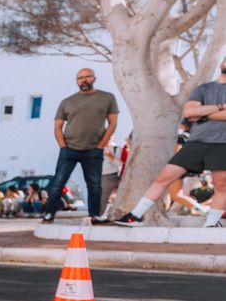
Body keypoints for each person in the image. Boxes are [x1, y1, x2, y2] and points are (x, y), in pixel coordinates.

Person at [114, 57, 226, 228]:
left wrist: (203, 112)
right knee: (163, 177)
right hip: (196, 143)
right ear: (222, 64)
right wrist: (220, 106)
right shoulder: (203, 89)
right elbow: (188, 112)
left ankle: (211, 224)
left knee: (221, 185)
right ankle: (135, 217)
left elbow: (197, 113)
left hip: (223, 144)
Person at [42, 68, 119, 225]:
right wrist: (63, 146)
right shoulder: (67, 101)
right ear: (77, 81)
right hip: (69, 149)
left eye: (87, 77)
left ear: (94, 78)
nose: (84, 80)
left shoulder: (107, 98)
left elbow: (113, 123)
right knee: (58, 183)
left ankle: (95, 216)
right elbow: (57, 126)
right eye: (80, 78)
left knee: (94, 185)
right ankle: (49, 214)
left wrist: (101, 145)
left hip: (94, 150)